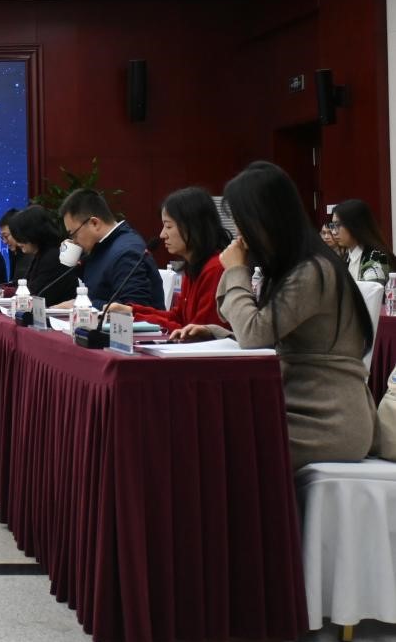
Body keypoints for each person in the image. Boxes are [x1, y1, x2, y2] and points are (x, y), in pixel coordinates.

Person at [171, 162, 375, 469]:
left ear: (266, 219)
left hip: (327, 422)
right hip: (299, 407)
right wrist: (217, 332)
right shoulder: (291, 267)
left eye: (243, 223)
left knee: (209, 441)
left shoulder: (313, 272)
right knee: (200, 429)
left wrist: (236, 270)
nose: (239, 234)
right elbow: (265, 332)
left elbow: (254, 336)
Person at [108, 187, 230, 333]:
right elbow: (178, 318)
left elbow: (196, 332)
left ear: (193, 226)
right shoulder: (194, 266)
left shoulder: (215, 269)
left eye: (168, 226)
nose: (162, 235)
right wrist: (131, 312)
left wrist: (134, 316)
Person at [58, 189, 164, 308]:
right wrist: (74, 260)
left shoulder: (126, 252)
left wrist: (82, 305)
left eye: (73, 234)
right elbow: (100, 286)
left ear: (94, 223)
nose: (74, 241)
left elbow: (133, 308)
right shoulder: (102, 246)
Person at [7, 204, 78, 305]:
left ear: (33, 233)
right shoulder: (41, 254)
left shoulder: (53, 257)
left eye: (20, 236)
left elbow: (35, 296)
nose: (18, 242)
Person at [331, 198, 392, 283]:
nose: (334, 232)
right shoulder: (346, 257)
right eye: (333, 225)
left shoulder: (376, 257)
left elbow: (370, 291)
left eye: (338, 225)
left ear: (355, 225)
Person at [0, 208, 27, 282]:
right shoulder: (14, 250)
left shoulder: (29, 251)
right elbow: (13, 281)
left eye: (6, 236)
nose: (4, 242)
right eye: (2, 238)